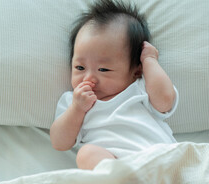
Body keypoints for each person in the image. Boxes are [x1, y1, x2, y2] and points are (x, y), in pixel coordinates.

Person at [50, 0, 179, 170]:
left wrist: (149, 60)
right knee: (86, 154)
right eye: (80, 67)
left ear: (136, 71)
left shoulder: (141, 88)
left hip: (159, 160)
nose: (89, 78)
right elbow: (59, 143)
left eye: (103, 69)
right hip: (115, 169)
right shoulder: (73, 102)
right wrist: (77, 109)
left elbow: (165, 101)